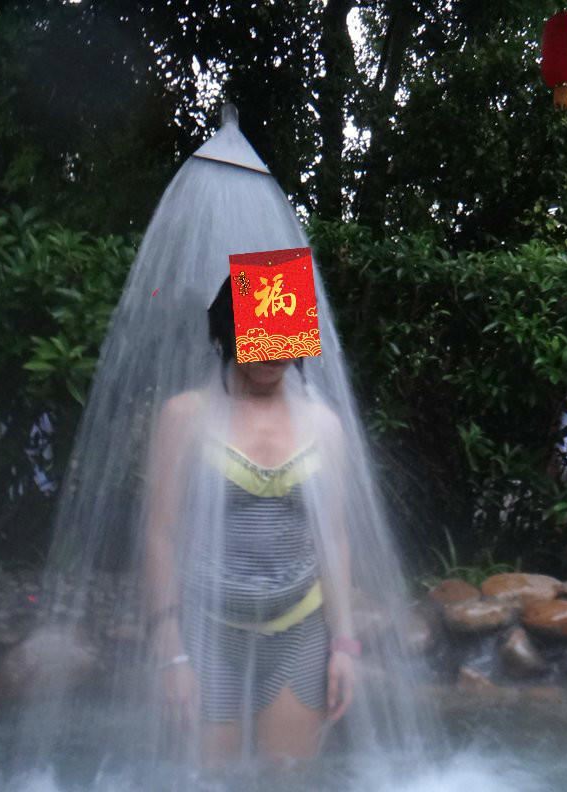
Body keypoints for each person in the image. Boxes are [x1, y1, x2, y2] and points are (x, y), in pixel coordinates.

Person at [142, 277, 358, 767]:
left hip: (299, 630)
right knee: (207, 780)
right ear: (226, 334)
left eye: (286, 340)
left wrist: (344, 644)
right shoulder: (185, 416)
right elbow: (160, 534)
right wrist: (170, 649)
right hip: (209, 631)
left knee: (288, 779)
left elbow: (335, 538)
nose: (275, 353)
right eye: (261, 338)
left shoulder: (324, 425)